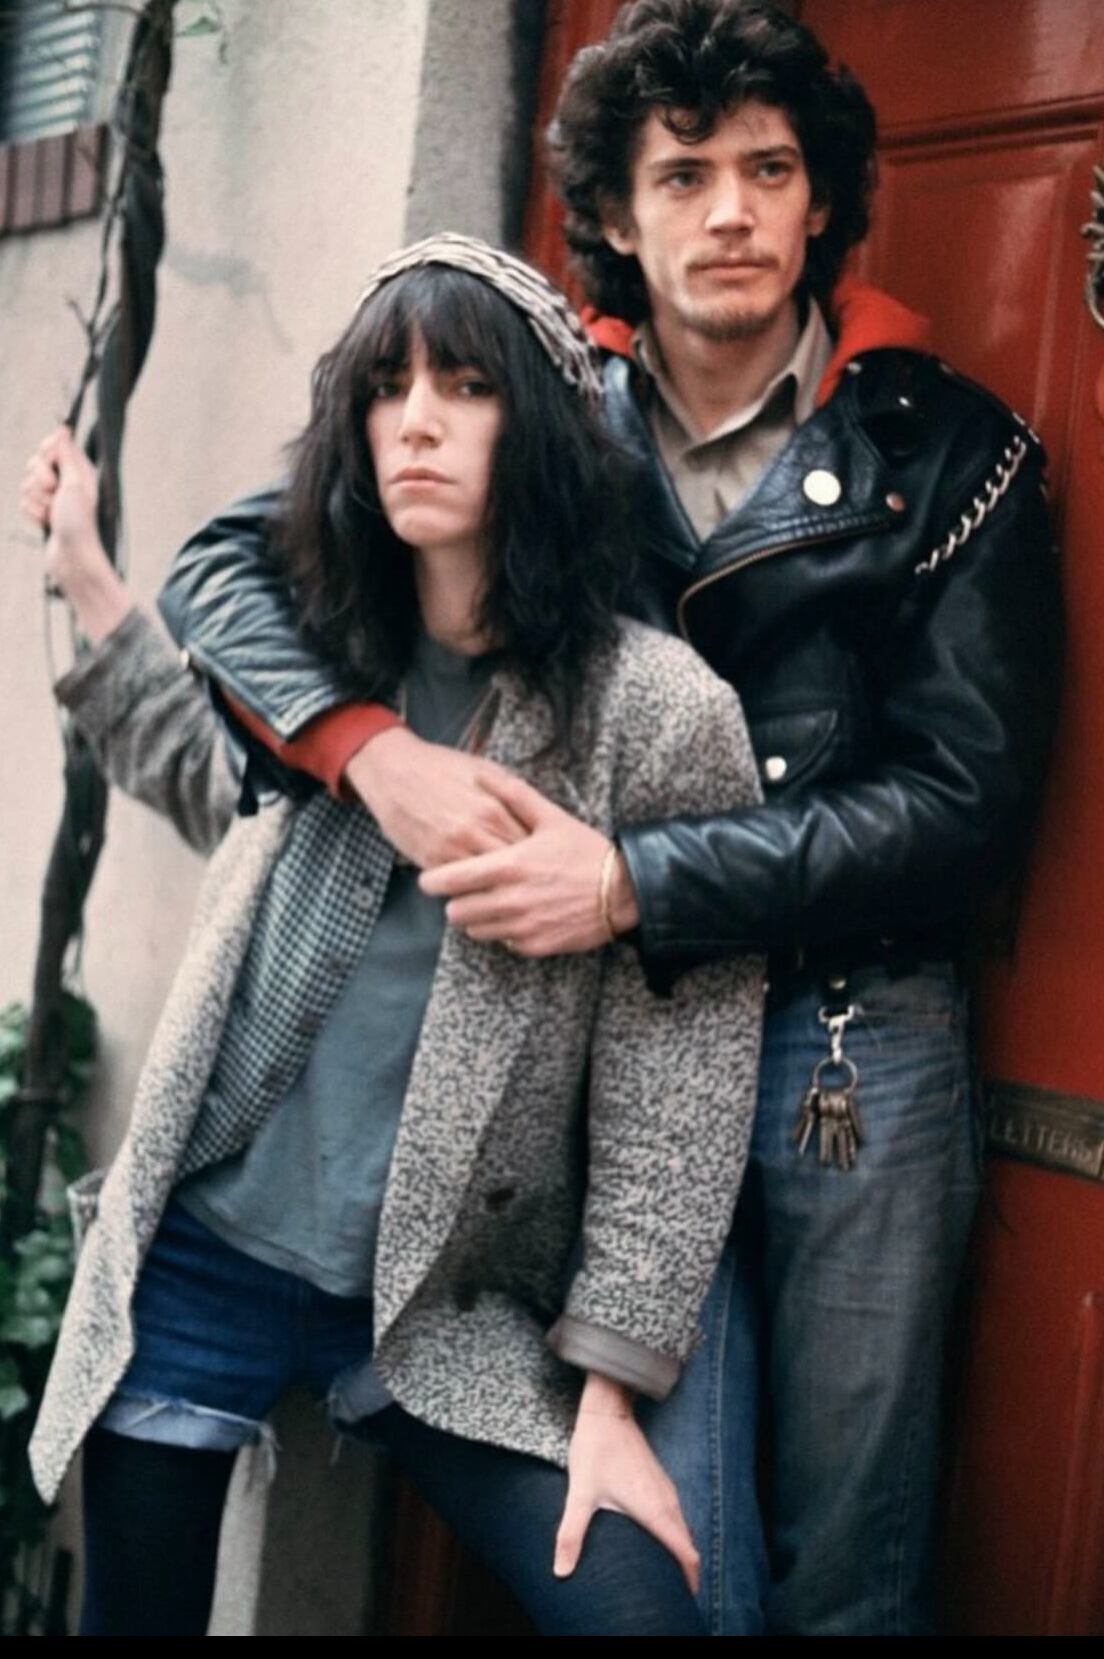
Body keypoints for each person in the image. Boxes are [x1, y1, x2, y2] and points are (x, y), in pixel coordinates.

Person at [151, 1, 1063, 1637]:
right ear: (619, 220)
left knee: (856, 1559)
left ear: (822, 197)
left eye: (768, 170)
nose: (732, 213)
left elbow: (963, 804)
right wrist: (372, 752)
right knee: (670, 1555)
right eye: (684, 176)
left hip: (850, 1042)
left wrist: (635, 878)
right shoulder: (551, 408)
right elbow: (235, 562)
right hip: (611, 1048)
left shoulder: (948, 448)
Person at [21, 237, 766, 1638]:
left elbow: (680, 1080)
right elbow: (205, 775)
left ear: (540, 429)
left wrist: (612, 1395)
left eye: (467, 386)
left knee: (642, 1614)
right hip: (204, 1254)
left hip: (443, 1295)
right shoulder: (319, 651)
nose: (416, 421)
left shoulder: (656, 712)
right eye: (387, 387)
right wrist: (92, 583)